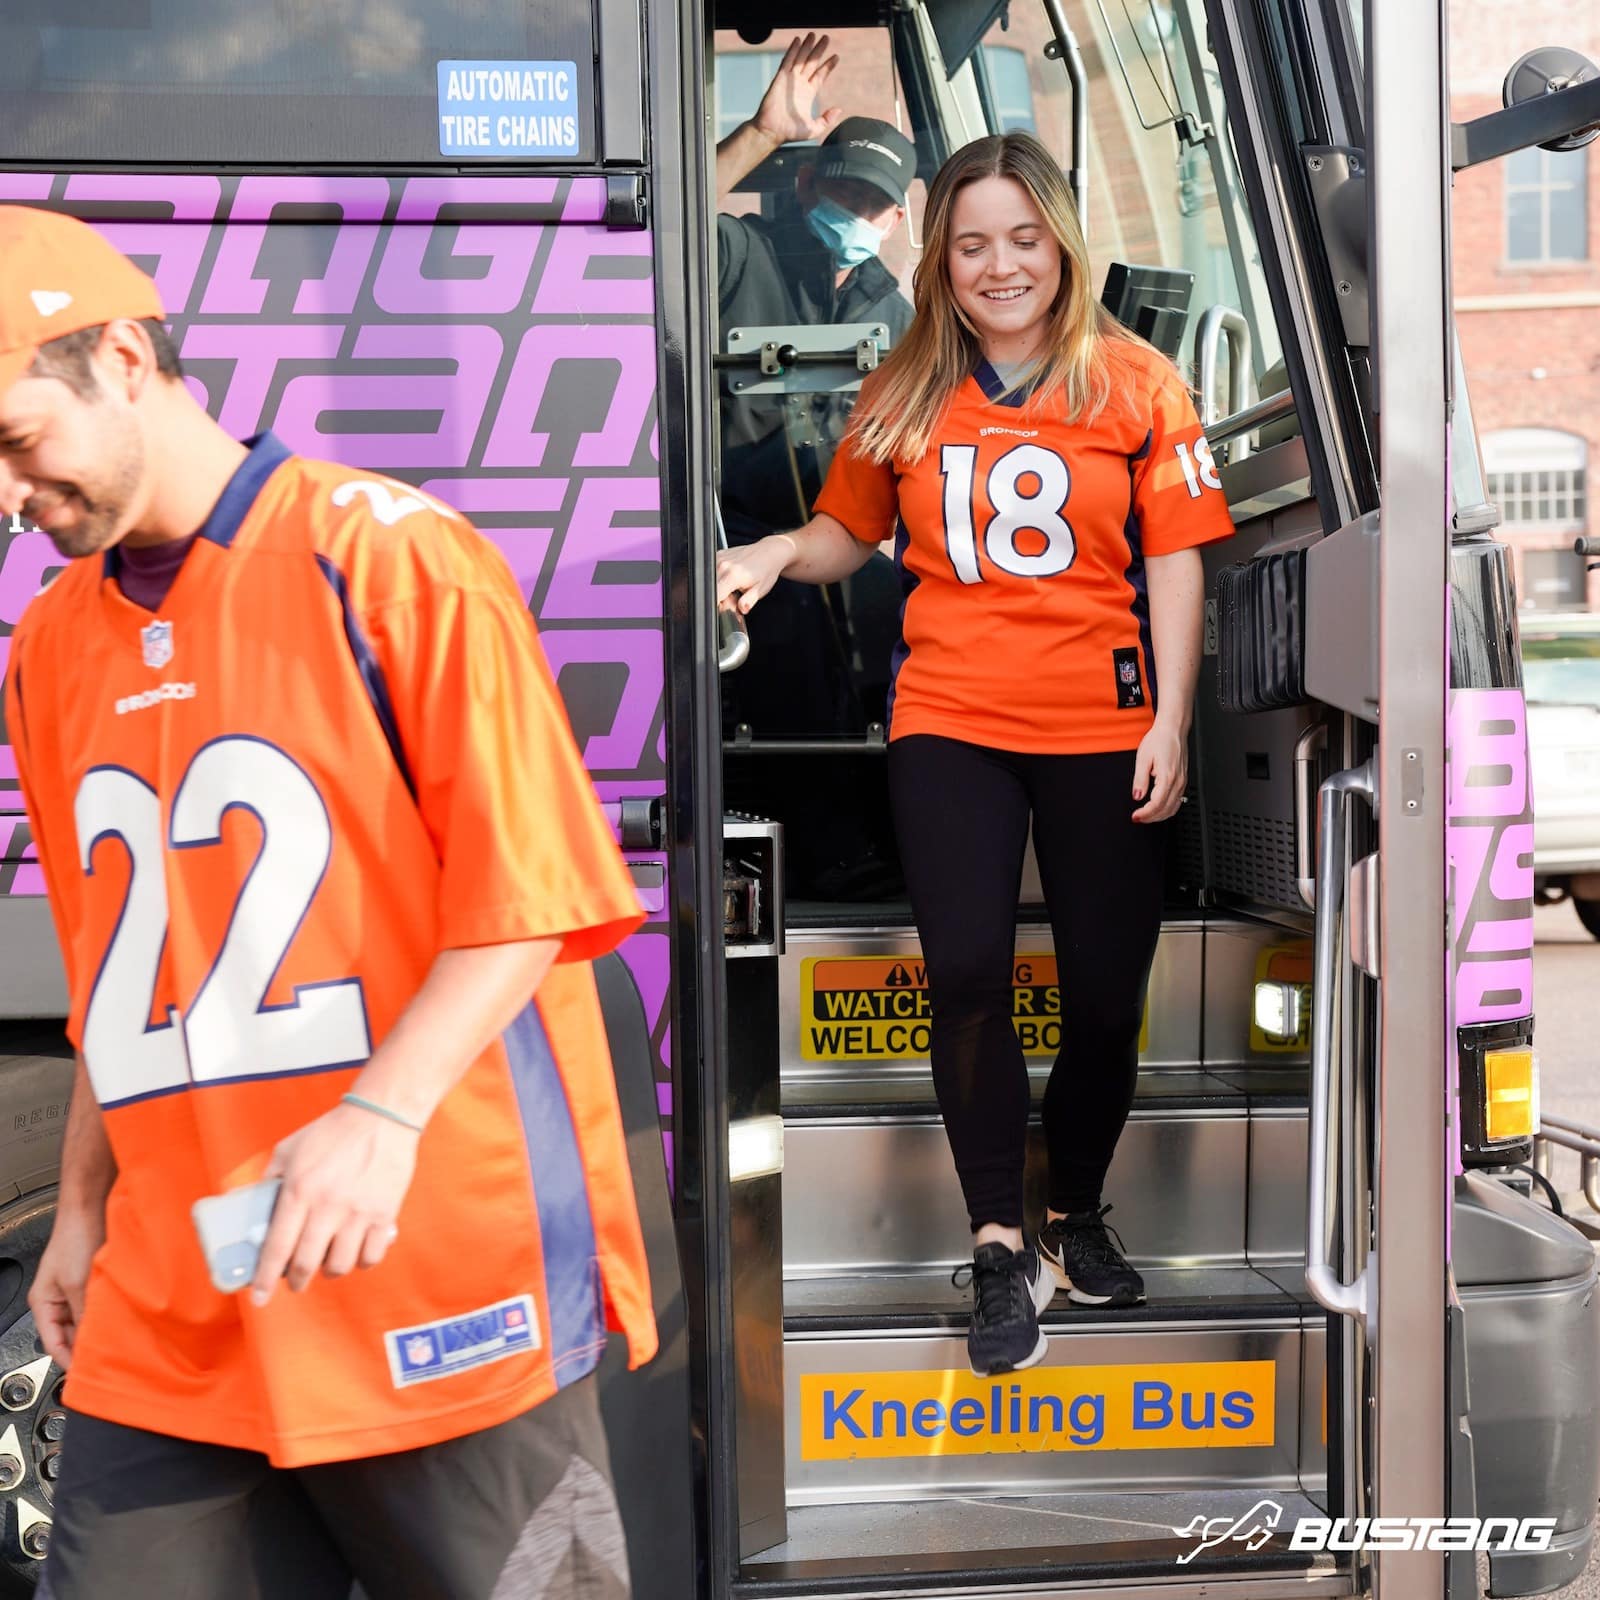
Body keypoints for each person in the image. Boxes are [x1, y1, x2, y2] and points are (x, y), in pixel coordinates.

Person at [0, 205, 655, 1599]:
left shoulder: (397, 559)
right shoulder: (50, 646)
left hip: (436, 1283)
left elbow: (531, 893)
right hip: (177, 1309)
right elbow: (125, 979)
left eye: (12, 443)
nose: (7, 499)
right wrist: (80, 1209)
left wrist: (379, 1114)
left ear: (124, 357)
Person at [716, 132, 1235, 1378]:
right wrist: (780, 553)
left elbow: (1174, 555)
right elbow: (851, 527)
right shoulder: (903, 386)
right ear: (939, 257)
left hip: (1102, 723)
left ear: (1060, 238)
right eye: (970, 244)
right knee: (965, 978)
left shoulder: (1138, 381)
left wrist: (1168, 715)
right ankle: (999, 1241)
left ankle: (1073, 1209)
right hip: (948, 719)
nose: (999, 266)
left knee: (1107, 996)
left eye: (1022, 238)